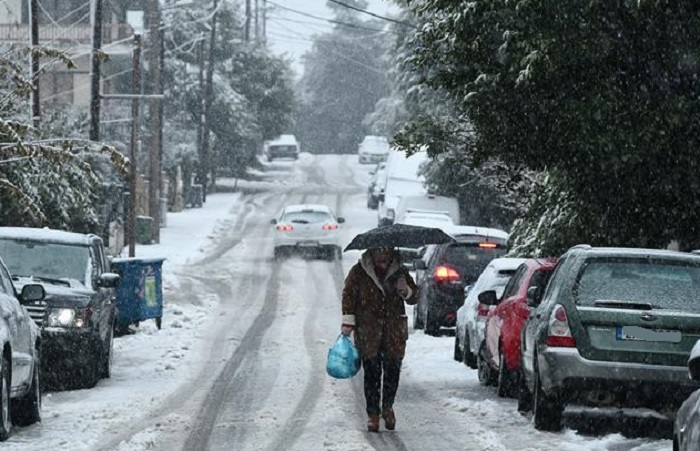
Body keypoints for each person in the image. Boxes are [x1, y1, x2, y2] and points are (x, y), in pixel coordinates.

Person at [340, 247, 419, 432]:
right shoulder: (359, 271)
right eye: (379, 252)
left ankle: (388, 407)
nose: (382, 256)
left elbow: (415, 296)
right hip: (368, 330)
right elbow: (348, 295)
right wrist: (348, 322)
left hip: (393, 332)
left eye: (386, 253)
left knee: (393, 371)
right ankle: (373, 415)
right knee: (372, 373)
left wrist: (405, 290)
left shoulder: (401, 271)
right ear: (372, 254)